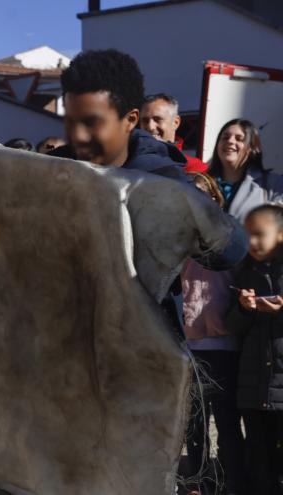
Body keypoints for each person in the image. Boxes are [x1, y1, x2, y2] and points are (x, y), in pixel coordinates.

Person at [49, 49, 247, 336]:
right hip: (66, 340)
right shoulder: (55, 168)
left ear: (129, 119)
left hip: (143, 346)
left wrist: (193, 212)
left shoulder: (163, 177)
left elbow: (230, 251)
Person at [180, 172, 247, 495]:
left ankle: (233, 482)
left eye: (201, 193)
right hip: (187, 343)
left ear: (214, 197)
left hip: (223, 342)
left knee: (226, 421)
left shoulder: (230, 233)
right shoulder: (176, 236)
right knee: (193, 424)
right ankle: (199, 482)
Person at [227, 204, 283, 495]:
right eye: (248, 235)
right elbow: (233, 327)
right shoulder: (244, 272)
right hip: (254, 386)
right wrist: (244, 309)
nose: (252, 242)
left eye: (260, 234)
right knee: (259, 458)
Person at [206, 118, 283, 219]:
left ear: (251, 148)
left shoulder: (274, 184)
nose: (230, 141)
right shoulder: (201, 184)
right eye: (225, 137)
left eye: (239, 138)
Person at [139, 93, 208, 173]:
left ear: (175, 122)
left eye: (157, 119)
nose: (150, 127)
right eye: (145, 120)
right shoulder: (127, 163)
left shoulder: (194, 168)